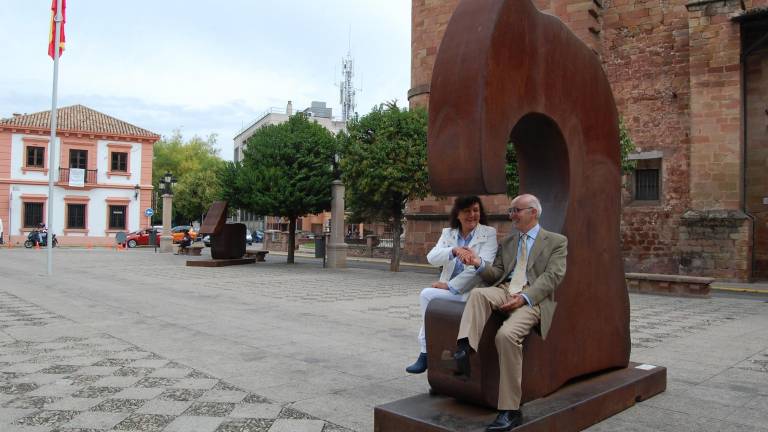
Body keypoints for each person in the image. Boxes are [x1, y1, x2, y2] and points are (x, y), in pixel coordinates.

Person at [453, 193, 567, 431]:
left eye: (516, 210)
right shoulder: (508, 242)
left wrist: (524, 298)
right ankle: (463, 349)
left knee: (505, 336)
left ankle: (510, 410)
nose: (511, 215)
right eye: (511, 211)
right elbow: (496, 274)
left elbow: (552, 277)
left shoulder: (556, 241)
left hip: (532, 300)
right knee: (479, 294)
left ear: (533, 212)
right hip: (505, 289)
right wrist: (477, 263)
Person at [405, 196, 498, 374]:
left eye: (476, 210)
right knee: (427, 295)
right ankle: (425, 352)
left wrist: (450, 286)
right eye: (467, 211)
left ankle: (438, 355)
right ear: (457, 214)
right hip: (451, 290)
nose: (472, 215)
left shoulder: (489, 233)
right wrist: (453, 251)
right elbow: (432, 258)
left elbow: (483, 266)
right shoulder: (448, 233)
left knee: (432, 295)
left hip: (472, 292)